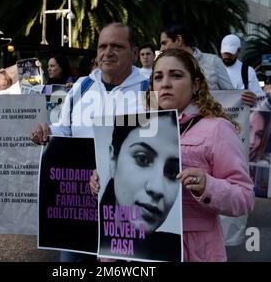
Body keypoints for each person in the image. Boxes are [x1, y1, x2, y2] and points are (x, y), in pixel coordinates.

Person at [91, 48, 254, 261]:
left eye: (176, 75)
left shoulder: (217, 129)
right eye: (158, 77)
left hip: (195, 251)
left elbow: (245, 198)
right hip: (123, 252)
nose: (165, 83)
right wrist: (99, 177)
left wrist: (208, 185)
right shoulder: (137, 125)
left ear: (196, 85)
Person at [31, 22, 148, 261]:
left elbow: (153, 142)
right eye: (103, 46)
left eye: (117, 46)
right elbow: (65, 129)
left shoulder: (149, 90)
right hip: (78, 205)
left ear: (134, 53)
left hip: (125, 209)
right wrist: (48, 132)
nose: (108, 52)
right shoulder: (81, 87)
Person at [99, 111, 181, 261]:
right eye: (142, 159)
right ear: (113, 160)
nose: (157, 188)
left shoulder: (178, 250)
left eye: (172, 171)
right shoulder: (79, 241)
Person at [159, 23, 234, 91]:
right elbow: (153, 96)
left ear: (179, 40)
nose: (161, 49)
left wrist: (243, 99)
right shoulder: (161, 67)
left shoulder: (213, 62)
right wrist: (152, 104)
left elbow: (231, 95)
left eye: (164, 43)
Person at [220, 34, 263, 105]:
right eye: (225, 53)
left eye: (230, 53)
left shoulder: (247, 71)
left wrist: (254, 98)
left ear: (238, 51)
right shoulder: (213, 69)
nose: (227, 56)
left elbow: (260, 97)